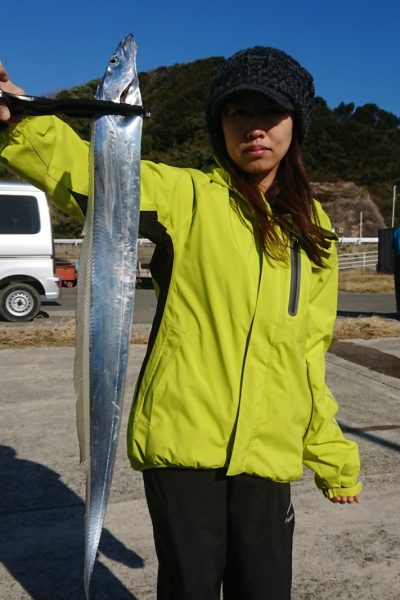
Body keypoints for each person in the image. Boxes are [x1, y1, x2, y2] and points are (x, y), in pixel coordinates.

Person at [0, 47, 362, 600]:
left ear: (297, 123)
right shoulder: (187, 197)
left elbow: (308, 356)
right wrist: (19, 118)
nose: (254, 128)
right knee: (189, 588)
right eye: (238, 112)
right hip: (182, 446)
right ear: (220, 124)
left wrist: (333, 456)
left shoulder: (315, 232)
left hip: (269, 452)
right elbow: (94, 169)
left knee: (265, 590)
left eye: (270, 112)